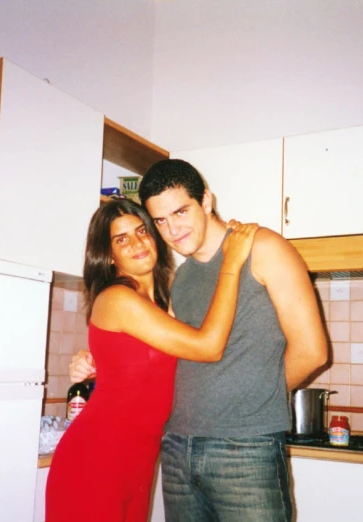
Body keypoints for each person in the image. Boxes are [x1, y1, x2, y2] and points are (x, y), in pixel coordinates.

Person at [70, 159, 329, 521]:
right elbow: (156, 352)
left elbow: (313, 352)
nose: (172, 229)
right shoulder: (181, 279)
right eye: (160, 221)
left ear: (206, 201)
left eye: (181, 211)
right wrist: (97, 359)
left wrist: (249, 401)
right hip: (175, 449)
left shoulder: (264, 247)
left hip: (243, 448)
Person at [45, 198, 259, 522]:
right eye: (122, 239)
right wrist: (232, 259)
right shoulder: (118, 298)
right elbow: (207, 346)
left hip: (139, 465)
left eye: (142, 230)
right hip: (96, 461)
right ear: (109, 255)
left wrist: (219, 239)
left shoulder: (162, 302)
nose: (138, 243)